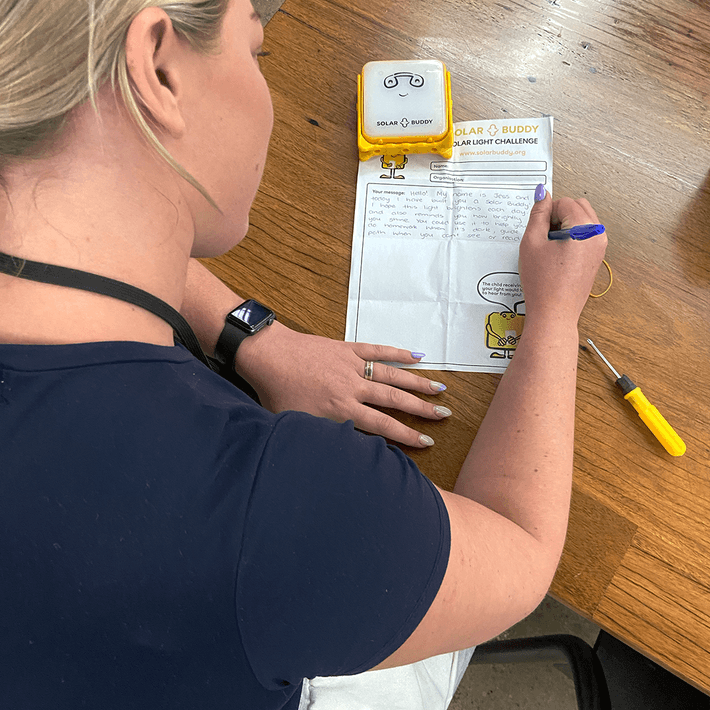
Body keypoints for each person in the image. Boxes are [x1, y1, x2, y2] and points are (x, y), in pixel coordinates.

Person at [0, 1, 607, 709]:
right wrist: (555, 318)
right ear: (159, 66)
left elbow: (90, 218)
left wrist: (252, 335)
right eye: (256, 53)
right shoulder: (276, 503)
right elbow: (520, 548)